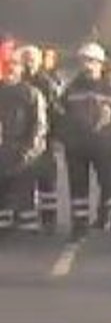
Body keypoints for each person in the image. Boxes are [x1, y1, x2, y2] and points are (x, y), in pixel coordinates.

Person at [60, 42, 111, 242]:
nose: (87, 65)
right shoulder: (71, 88)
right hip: (77, 148)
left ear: (101, 63)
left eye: (91, 61)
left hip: (106, 147)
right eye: (83, 61)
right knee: (78, 189)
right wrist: (68, 138)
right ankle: (79, 227)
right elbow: (59, 116)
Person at [0, 49, 47, 236]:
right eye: (7, 67)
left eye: (15, 66)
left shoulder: (31, 93)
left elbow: (39, 125)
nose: (11, 70)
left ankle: (28, 226)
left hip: (23, 150)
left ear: (21, 69)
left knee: (24, 189)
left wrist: (29, 150)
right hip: (2, 148)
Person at [19, 45, 63, 233]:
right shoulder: (18, 82)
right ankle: (27, 221)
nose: (29, 63)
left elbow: (56, 111)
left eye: (32, 60)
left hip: (46, 138)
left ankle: (49, 219)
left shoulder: (46, 83)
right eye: (25, 60)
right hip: (23, 139)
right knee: (24, 179)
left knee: (47, 181)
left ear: (39, 61)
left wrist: (55, 136)